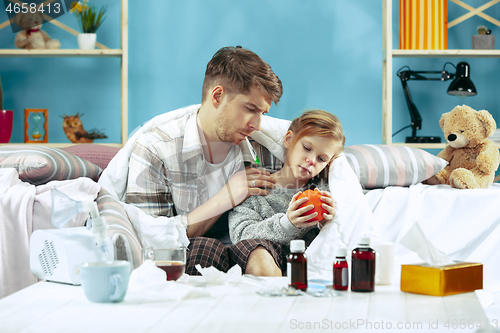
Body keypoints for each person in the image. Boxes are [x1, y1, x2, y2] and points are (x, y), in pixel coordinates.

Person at [125, 46, 286, 276]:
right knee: (204, 250)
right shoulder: (156, 149)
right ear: (217, 96)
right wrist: (227, 196)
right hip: (194, 256)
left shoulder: (267, 148)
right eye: (250, 109)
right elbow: (150, 240)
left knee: (260, 252)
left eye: (263, 113)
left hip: (252, 248)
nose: (257, 125)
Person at [228, 109, 346, 274]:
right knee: (258, 252)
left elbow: (351, 223)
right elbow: (241, 234)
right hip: (266, 262)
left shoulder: (327, 193)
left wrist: (328, 224)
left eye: (321, 159)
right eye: (306, 147)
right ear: (289, 140)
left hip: (311, 270)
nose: (311, 161)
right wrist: (287, 224)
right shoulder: (256, 187)